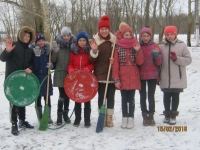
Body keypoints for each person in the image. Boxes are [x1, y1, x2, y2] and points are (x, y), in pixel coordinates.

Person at [0, 26, 35, 135]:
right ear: (20, 35)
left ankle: (22, 120)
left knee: (22, 100)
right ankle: (14, 123)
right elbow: (2, 58)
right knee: (14, 101)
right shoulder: (14, 46)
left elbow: (32, 63)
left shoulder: (30, 50)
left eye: (28, 36)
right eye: (24, 35)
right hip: (12, 80)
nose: (26, 37)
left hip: (24, 80)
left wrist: (31, 68)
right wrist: (7, 51)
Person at [112, 22, 144, 129]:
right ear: (122, 35)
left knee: (131, 98)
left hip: (133, 75)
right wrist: (116, 79)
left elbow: (140, 62)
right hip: (123, 76)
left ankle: (131, 117)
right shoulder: (118, 47)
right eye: (126, 34)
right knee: (123, 99)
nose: (128, 36)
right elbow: (115, 64)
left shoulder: (136, 45)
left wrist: (138, 51)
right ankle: (124, 117)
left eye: (130, 34)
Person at [159, 26, 192, 125]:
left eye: (171, 34)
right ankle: (167, 114)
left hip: (178, 76)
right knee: (166, 96)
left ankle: (173, 115)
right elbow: (158, 61)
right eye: (167, 34)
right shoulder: (161, 46)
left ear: (175, 34)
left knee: (175, 96)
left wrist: (177, 58)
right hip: (165, 76)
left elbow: (188, 60)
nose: (169, 36)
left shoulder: (182, 46)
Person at [89, 15, 116, 127]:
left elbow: (117, 54)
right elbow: (91, 59)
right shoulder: (95, 41)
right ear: (99, 30)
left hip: (111, 73)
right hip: (100, 74)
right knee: (101, 96)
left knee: (111, 96)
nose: (104, 31)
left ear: (109, 29)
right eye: (102, 29)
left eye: (106, 29)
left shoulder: (114, 41)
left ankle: (109, 118)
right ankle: (102, 115)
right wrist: (94, 50)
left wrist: (114, 59)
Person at [67, 31, 94, 128]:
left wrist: (88, 69)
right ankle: (77, 119)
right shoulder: (73, 51)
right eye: (80, 40)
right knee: (77, 99)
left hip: (86, 78)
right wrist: (70, 69)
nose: (82, 42)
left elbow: (93, 63)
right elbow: (70, 63)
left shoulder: (89, 51)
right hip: (76, 78)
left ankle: (87, 120)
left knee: (87, 99)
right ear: (77, 41)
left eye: (84, 40)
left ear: (86, 41)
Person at [51, 26, 76, 125]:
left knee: (67, 95)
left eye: (67, 35)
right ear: (62, 36)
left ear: (70, 36)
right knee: (62, 96)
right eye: (64, 36)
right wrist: (55, 52)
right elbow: (53, 61)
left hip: (69, 74)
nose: (66, 37)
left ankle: (66, 114)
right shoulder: (58, 46)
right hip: (60, 74)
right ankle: (59, 116)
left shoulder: (73, 46)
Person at [138, 27, 163, 126]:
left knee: (151, 96)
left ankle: (151, 115)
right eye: (143, 36)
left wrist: (156, 54)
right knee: (142, 96)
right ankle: (144, 115)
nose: (145, 38)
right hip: (141, 75)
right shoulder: (138, 46)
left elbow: (159, 62)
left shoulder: (155, 46)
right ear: (141, 36)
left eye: (147, 36)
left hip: (152, 75)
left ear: (150, 36)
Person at [29, 33, 54, 124]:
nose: (41, 42)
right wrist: (36, 56)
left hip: (46, 77)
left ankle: (48, 115)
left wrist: (51, 65)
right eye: (39, 41)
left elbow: (53, 62)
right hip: (36, 78)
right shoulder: (32, 51)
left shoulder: (48, 51)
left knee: (47, 97)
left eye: (43, 40)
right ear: (36, 42)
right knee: (38, 97)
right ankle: (39, 116)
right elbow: (32, 65)